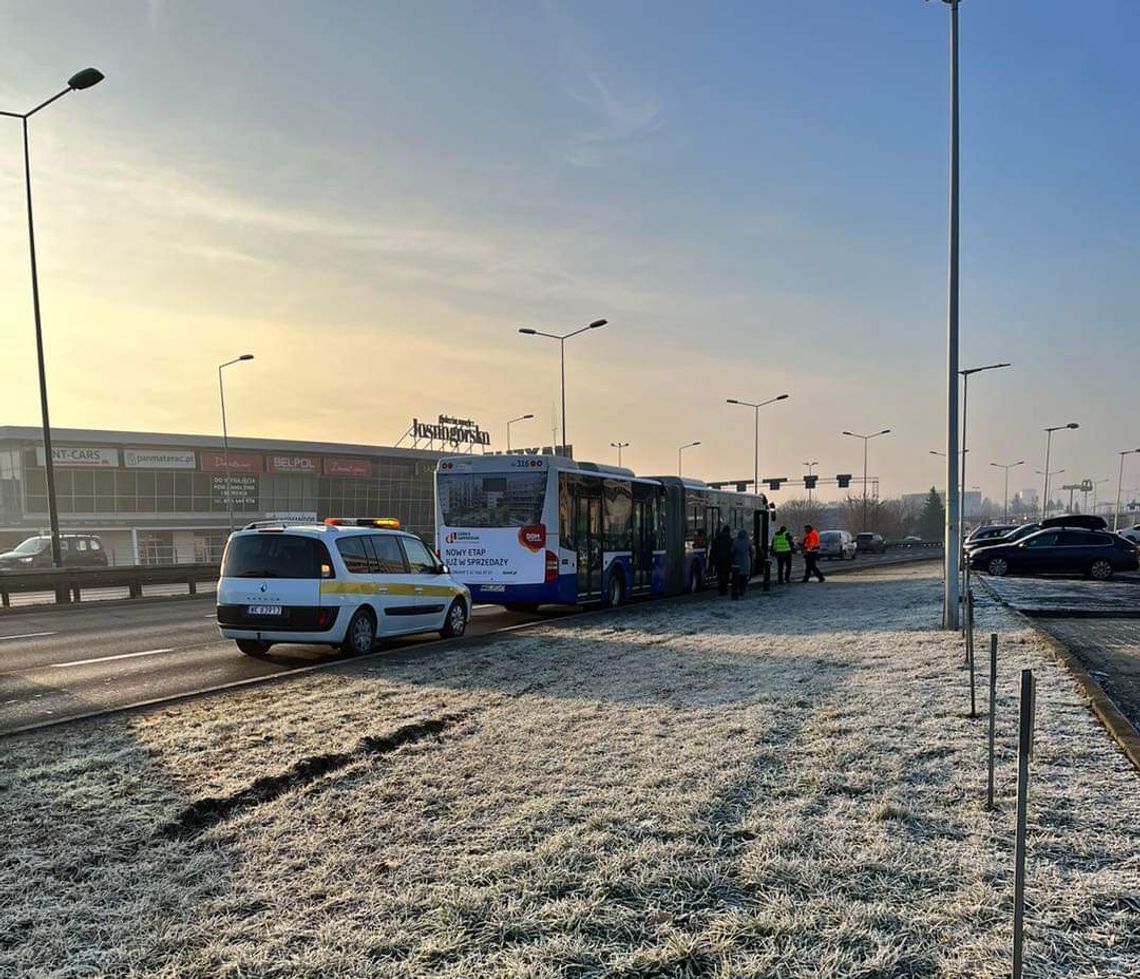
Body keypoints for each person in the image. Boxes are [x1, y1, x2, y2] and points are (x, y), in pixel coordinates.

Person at [710, 524, 734, 596]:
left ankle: (720, 589)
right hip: (727, 561)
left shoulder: (716, 540)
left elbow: (713, 551)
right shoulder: (730, 540)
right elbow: (732, 551)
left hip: (718, 561)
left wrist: (712, 561)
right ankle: (725, 589)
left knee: (720, 575)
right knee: (726, 575)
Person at [730, 529, 753, 599]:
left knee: (738, 578)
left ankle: (737, 590)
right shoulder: (747, 542)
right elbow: (752, 551)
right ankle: (742, 590)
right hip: (745, 562)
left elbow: (731, 551)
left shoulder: (735, 542)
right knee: (744, 577)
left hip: (737, 562)